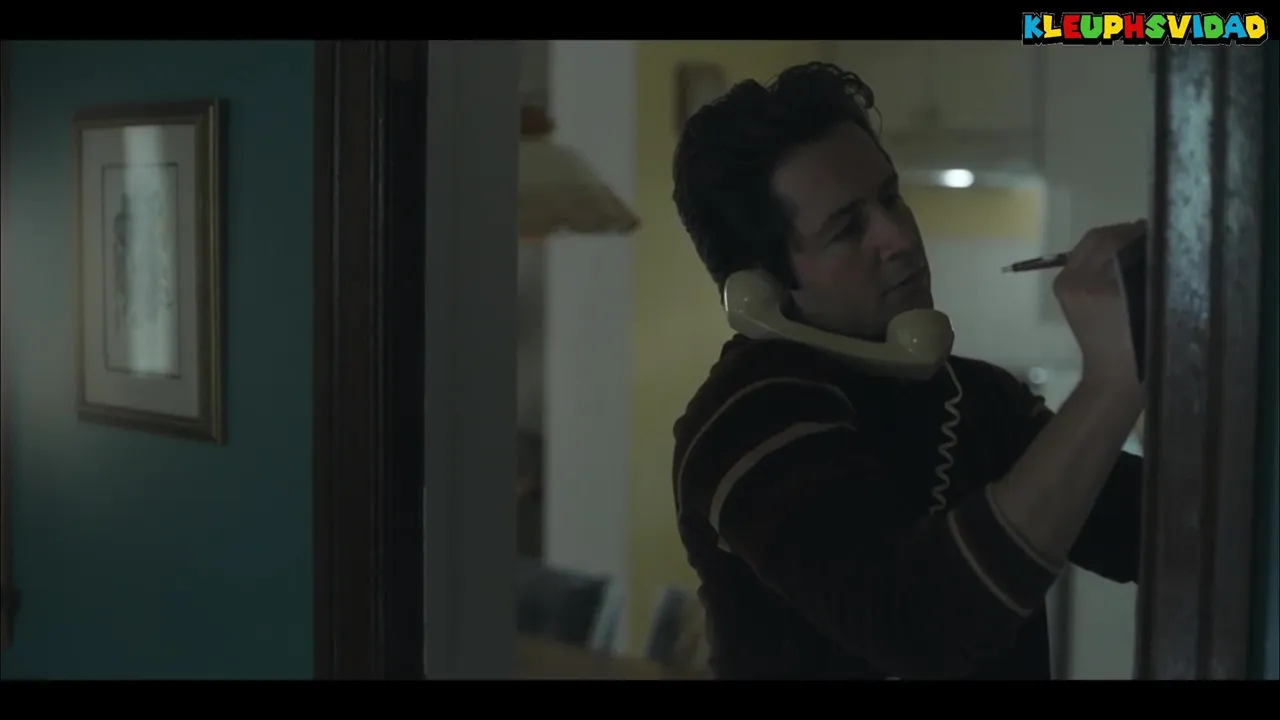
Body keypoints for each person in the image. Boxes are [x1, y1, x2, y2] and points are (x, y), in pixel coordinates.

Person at [670, 62, 1145, 679]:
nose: (897, 235)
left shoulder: (974, 396)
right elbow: (919, 623)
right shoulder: (746, 418)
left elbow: (1164, 532)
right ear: (763, 289)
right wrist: (1109, 385)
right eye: (847, 228)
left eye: (891, 197)